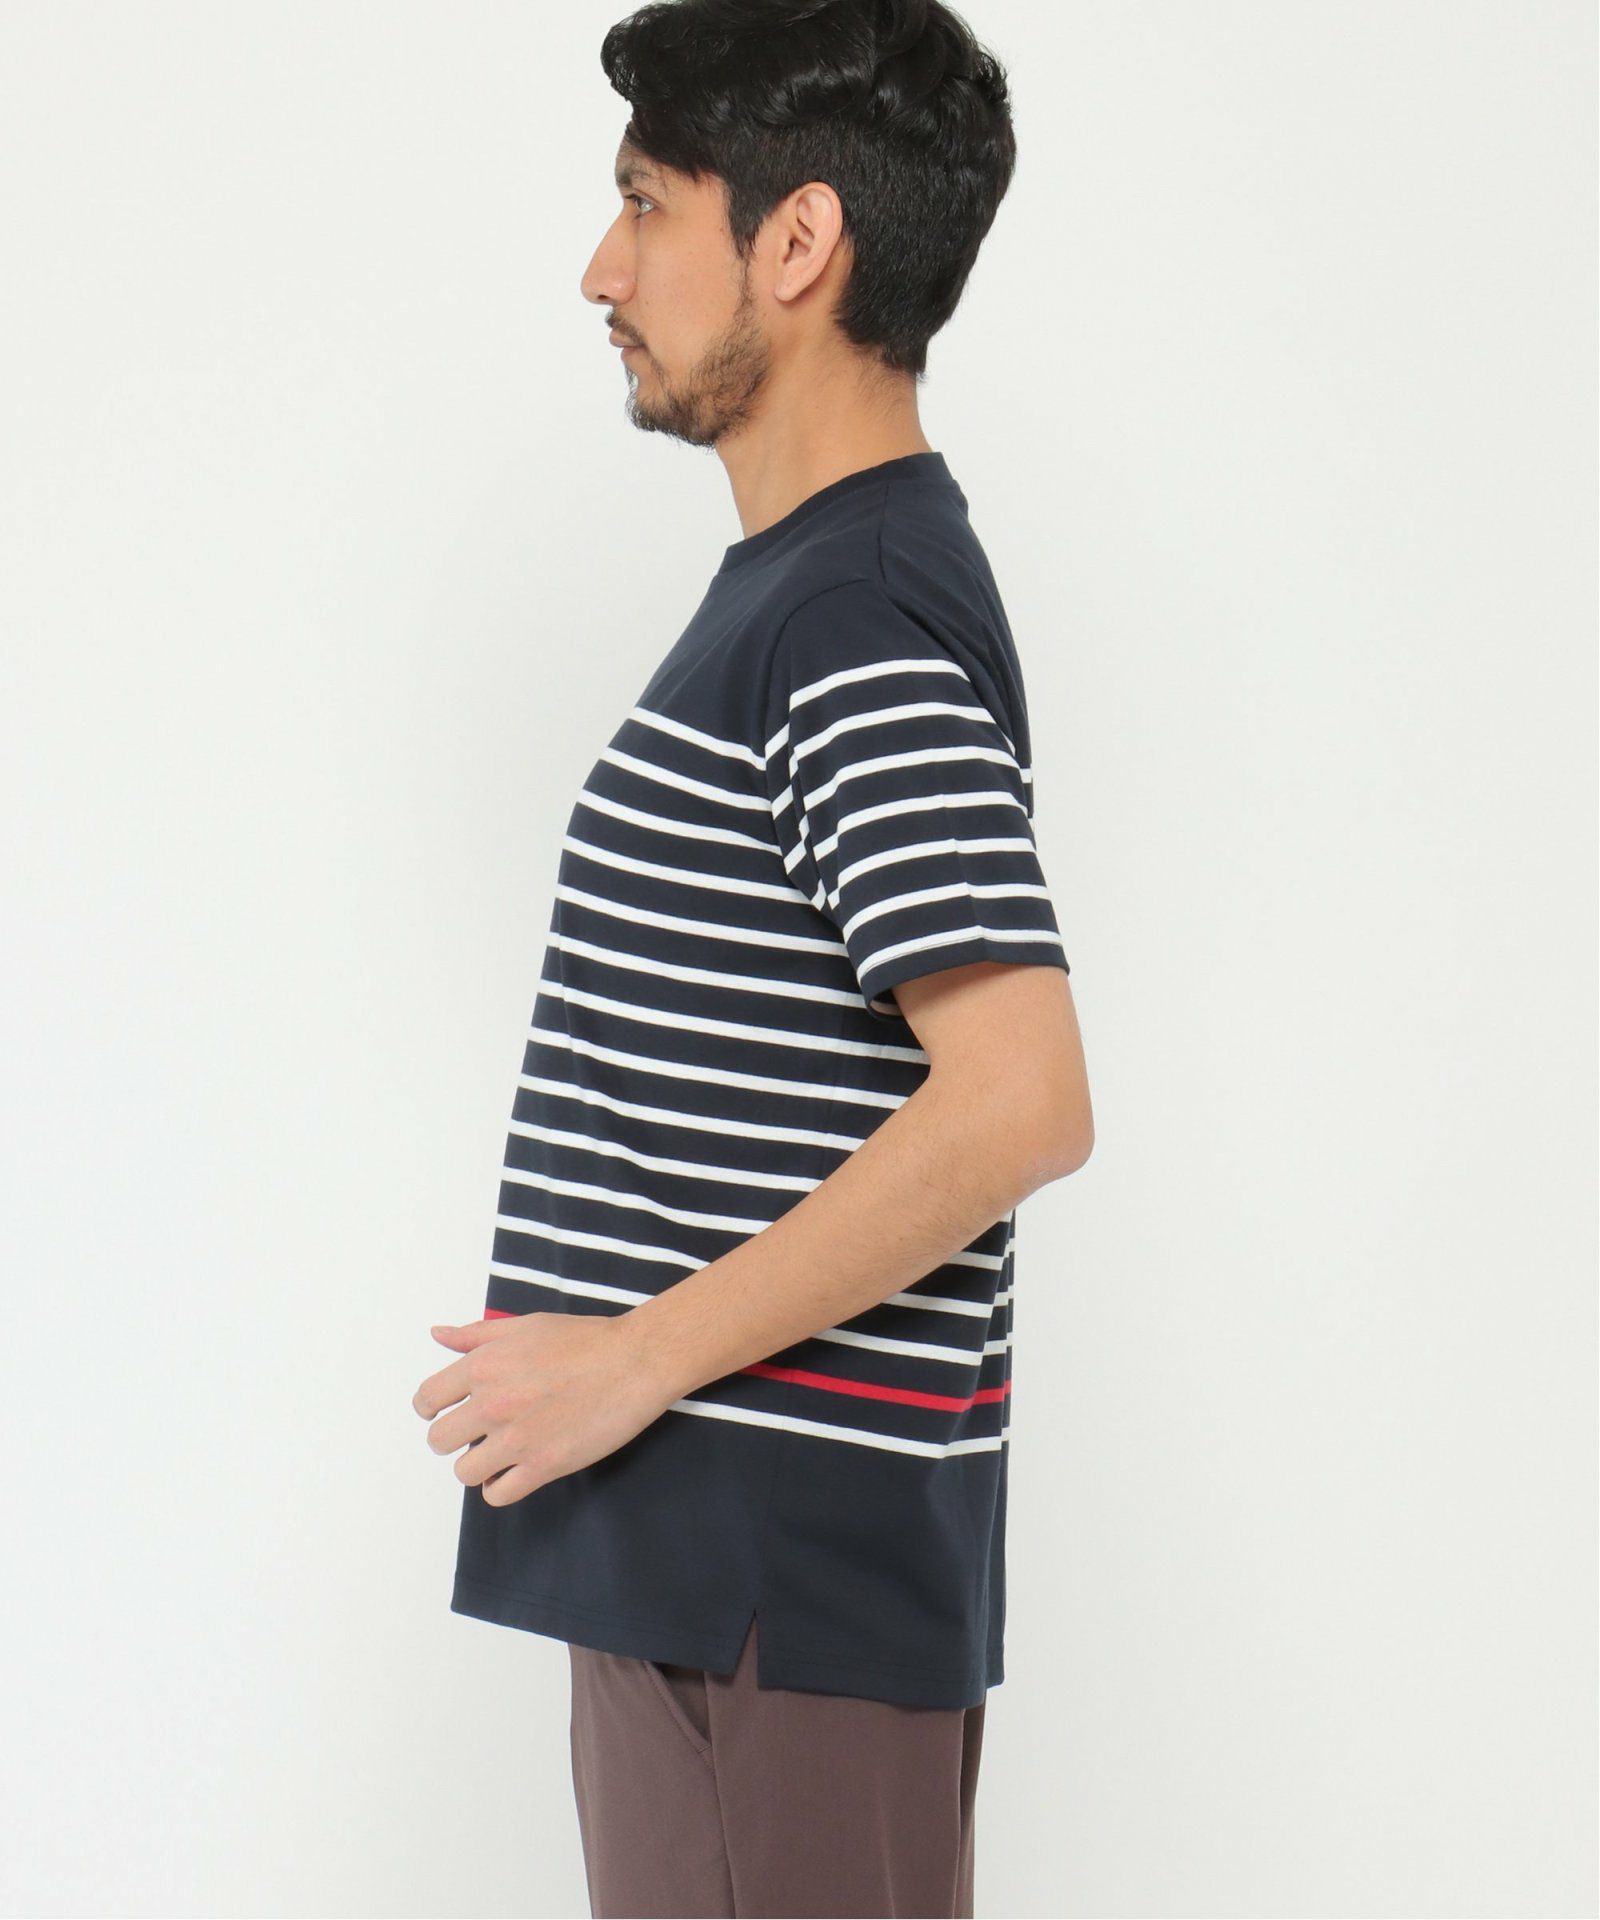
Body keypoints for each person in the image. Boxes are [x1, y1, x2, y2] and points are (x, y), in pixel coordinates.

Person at [412, 1, 1095, 1912]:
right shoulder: (802, 598)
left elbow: (1024, 1097)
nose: (601, 268)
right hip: (714, 1582)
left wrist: (628, 1365)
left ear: (797, 243)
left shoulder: (853, 609)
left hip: (769, 1589)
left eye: (647, 204)